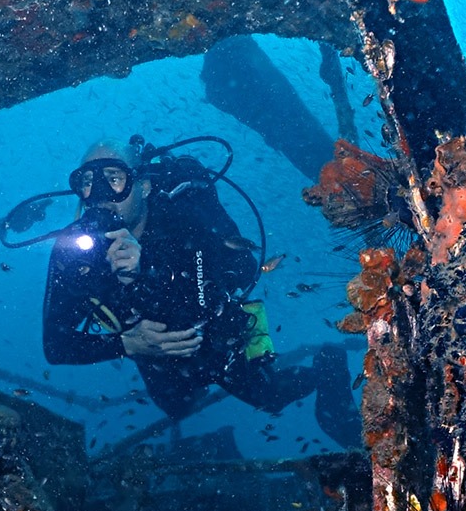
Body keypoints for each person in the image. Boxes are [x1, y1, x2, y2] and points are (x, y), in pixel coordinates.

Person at [41, 138, 362, 448]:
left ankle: (328, 365)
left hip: (213, 339)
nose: (99, 194)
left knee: (270, 396)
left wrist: (149, 267)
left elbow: (243, 268)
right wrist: (128, 343)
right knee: (177, 407)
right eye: (87, 181)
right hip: (149, 350)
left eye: (113, 178)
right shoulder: (72, 253)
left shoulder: (183, 218)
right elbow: (55, 346)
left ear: (143, 186)